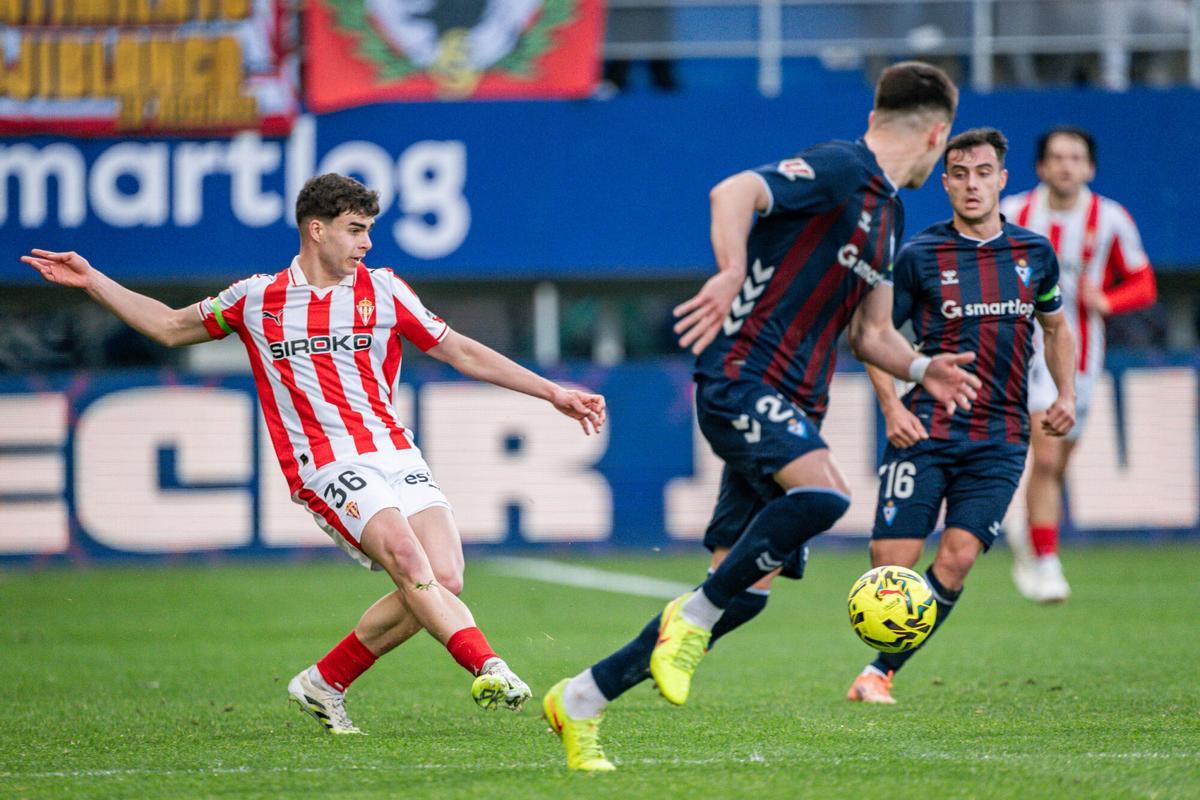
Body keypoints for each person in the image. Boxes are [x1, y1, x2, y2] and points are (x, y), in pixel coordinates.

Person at [21, 173, 606, 735]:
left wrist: (553, 391)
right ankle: (489, 667)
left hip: (397, 453)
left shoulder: (385, 289)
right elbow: (173, 327)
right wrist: (94, 278)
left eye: (370, 229)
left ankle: (325, 682)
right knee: (408, 559)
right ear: (316, 229)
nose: (367, 242)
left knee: (445, 577)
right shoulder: (257, 299)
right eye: (356, 229)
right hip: (324, 463)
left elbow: (461, 352)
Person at [542, 61, 980, 772]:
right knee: (825, 495)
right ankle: (690, 619)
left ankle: (581, 699)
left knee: (744, 593)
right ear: (939, 133)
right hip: (742, 374)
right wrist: (728, 267)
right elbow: (736, 189)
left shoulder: (891, 214)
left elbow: (871, 334)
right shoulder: (844, 168)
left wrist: (926, 368)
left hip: (796, 397)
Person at [845, 127, 1075, 704]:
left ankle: (879, 672)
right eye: (960, 174)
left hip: (1001, 436)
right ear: (944, 182)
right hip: (924, 428)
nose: (972, 185)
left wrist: (1065, 395)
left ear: (1002, 179)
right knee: (889, 566)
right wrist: (892, 404)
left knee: (959, 556)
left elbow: (1056, 328)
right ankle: (879, 657)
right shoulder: (921, 254)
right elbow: (871, 335)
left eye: (983, 173)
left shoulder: (1033, 254)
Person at [1000, 126, 1157, 603]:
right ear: (1041, 167)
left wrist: (1107, 300)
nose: (1066, 166)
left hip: (1083, 357)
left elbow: (1143, 282)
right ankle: (1046, 560)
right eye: (1057, 157)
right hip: (1024, 353)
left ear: (1089, 167)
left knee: (1058, 459)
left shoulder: (1110, 219)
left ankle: (1032, 533)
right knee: (1045, 454)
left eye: (1075, 158)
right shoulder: (1013, 214)